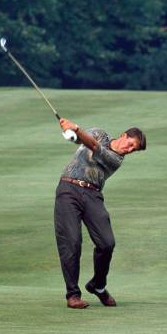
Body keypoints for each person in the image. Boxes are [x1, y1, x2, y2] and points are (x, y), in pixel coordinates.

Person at [55, 118, 146, 309]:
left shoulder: (117, 159)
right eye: (130, 145)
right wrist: (69, 131)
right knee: (71, 242)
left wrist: (75, 128)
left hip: (92, 195)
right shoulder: (99, 133)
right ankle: (73, 295)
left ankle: (98, 284)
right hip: (68, 189)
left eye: (133, 150)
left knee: (107, 243)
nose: (129, 150)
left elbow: (94, 146)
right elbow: (81, 140)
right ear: (123, 136)